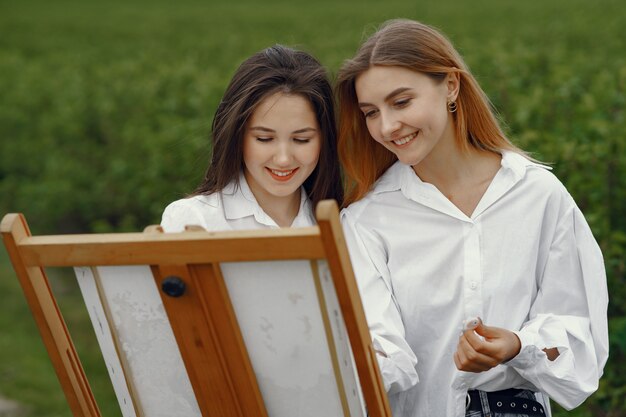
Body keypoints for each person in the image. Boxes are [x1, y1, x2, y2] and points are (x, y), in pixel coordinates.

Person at [336, 19, 608, 417]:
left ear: (450, 85)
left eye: (401, 102)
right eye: (371, 112)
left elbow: (580, 336)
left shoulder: (538, 194)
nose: (387, 126)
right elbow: (376, 349)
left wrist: (518, 345)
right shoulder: (365, 221)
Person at [161, 44, 342, 232]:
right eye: (264, 138)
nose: (283, 159)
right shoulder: (194, 220)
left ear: (325, 139)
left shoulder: (342, 224)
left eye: (301, 139)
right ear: (237, 136)